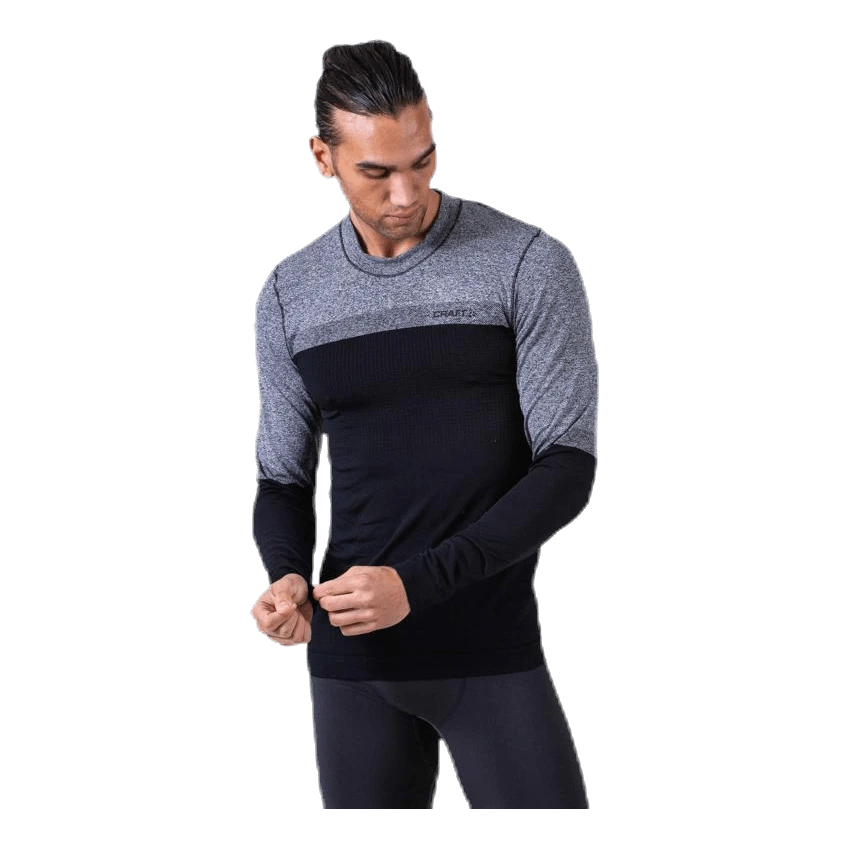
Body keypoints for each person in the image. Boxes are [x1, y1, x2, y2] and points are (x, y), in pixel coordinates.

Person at [251, 40, 598, 816]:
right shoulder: (290, 293)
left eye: (423, 160)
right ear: (322, 158)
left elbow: (567, 468)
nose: (407, 192)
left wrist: (415, 585)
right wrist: (286, 574)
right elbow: (282, 477)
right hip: (354, 662)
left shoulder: (524, 262)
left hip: (487, 644)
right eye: (377, 172)